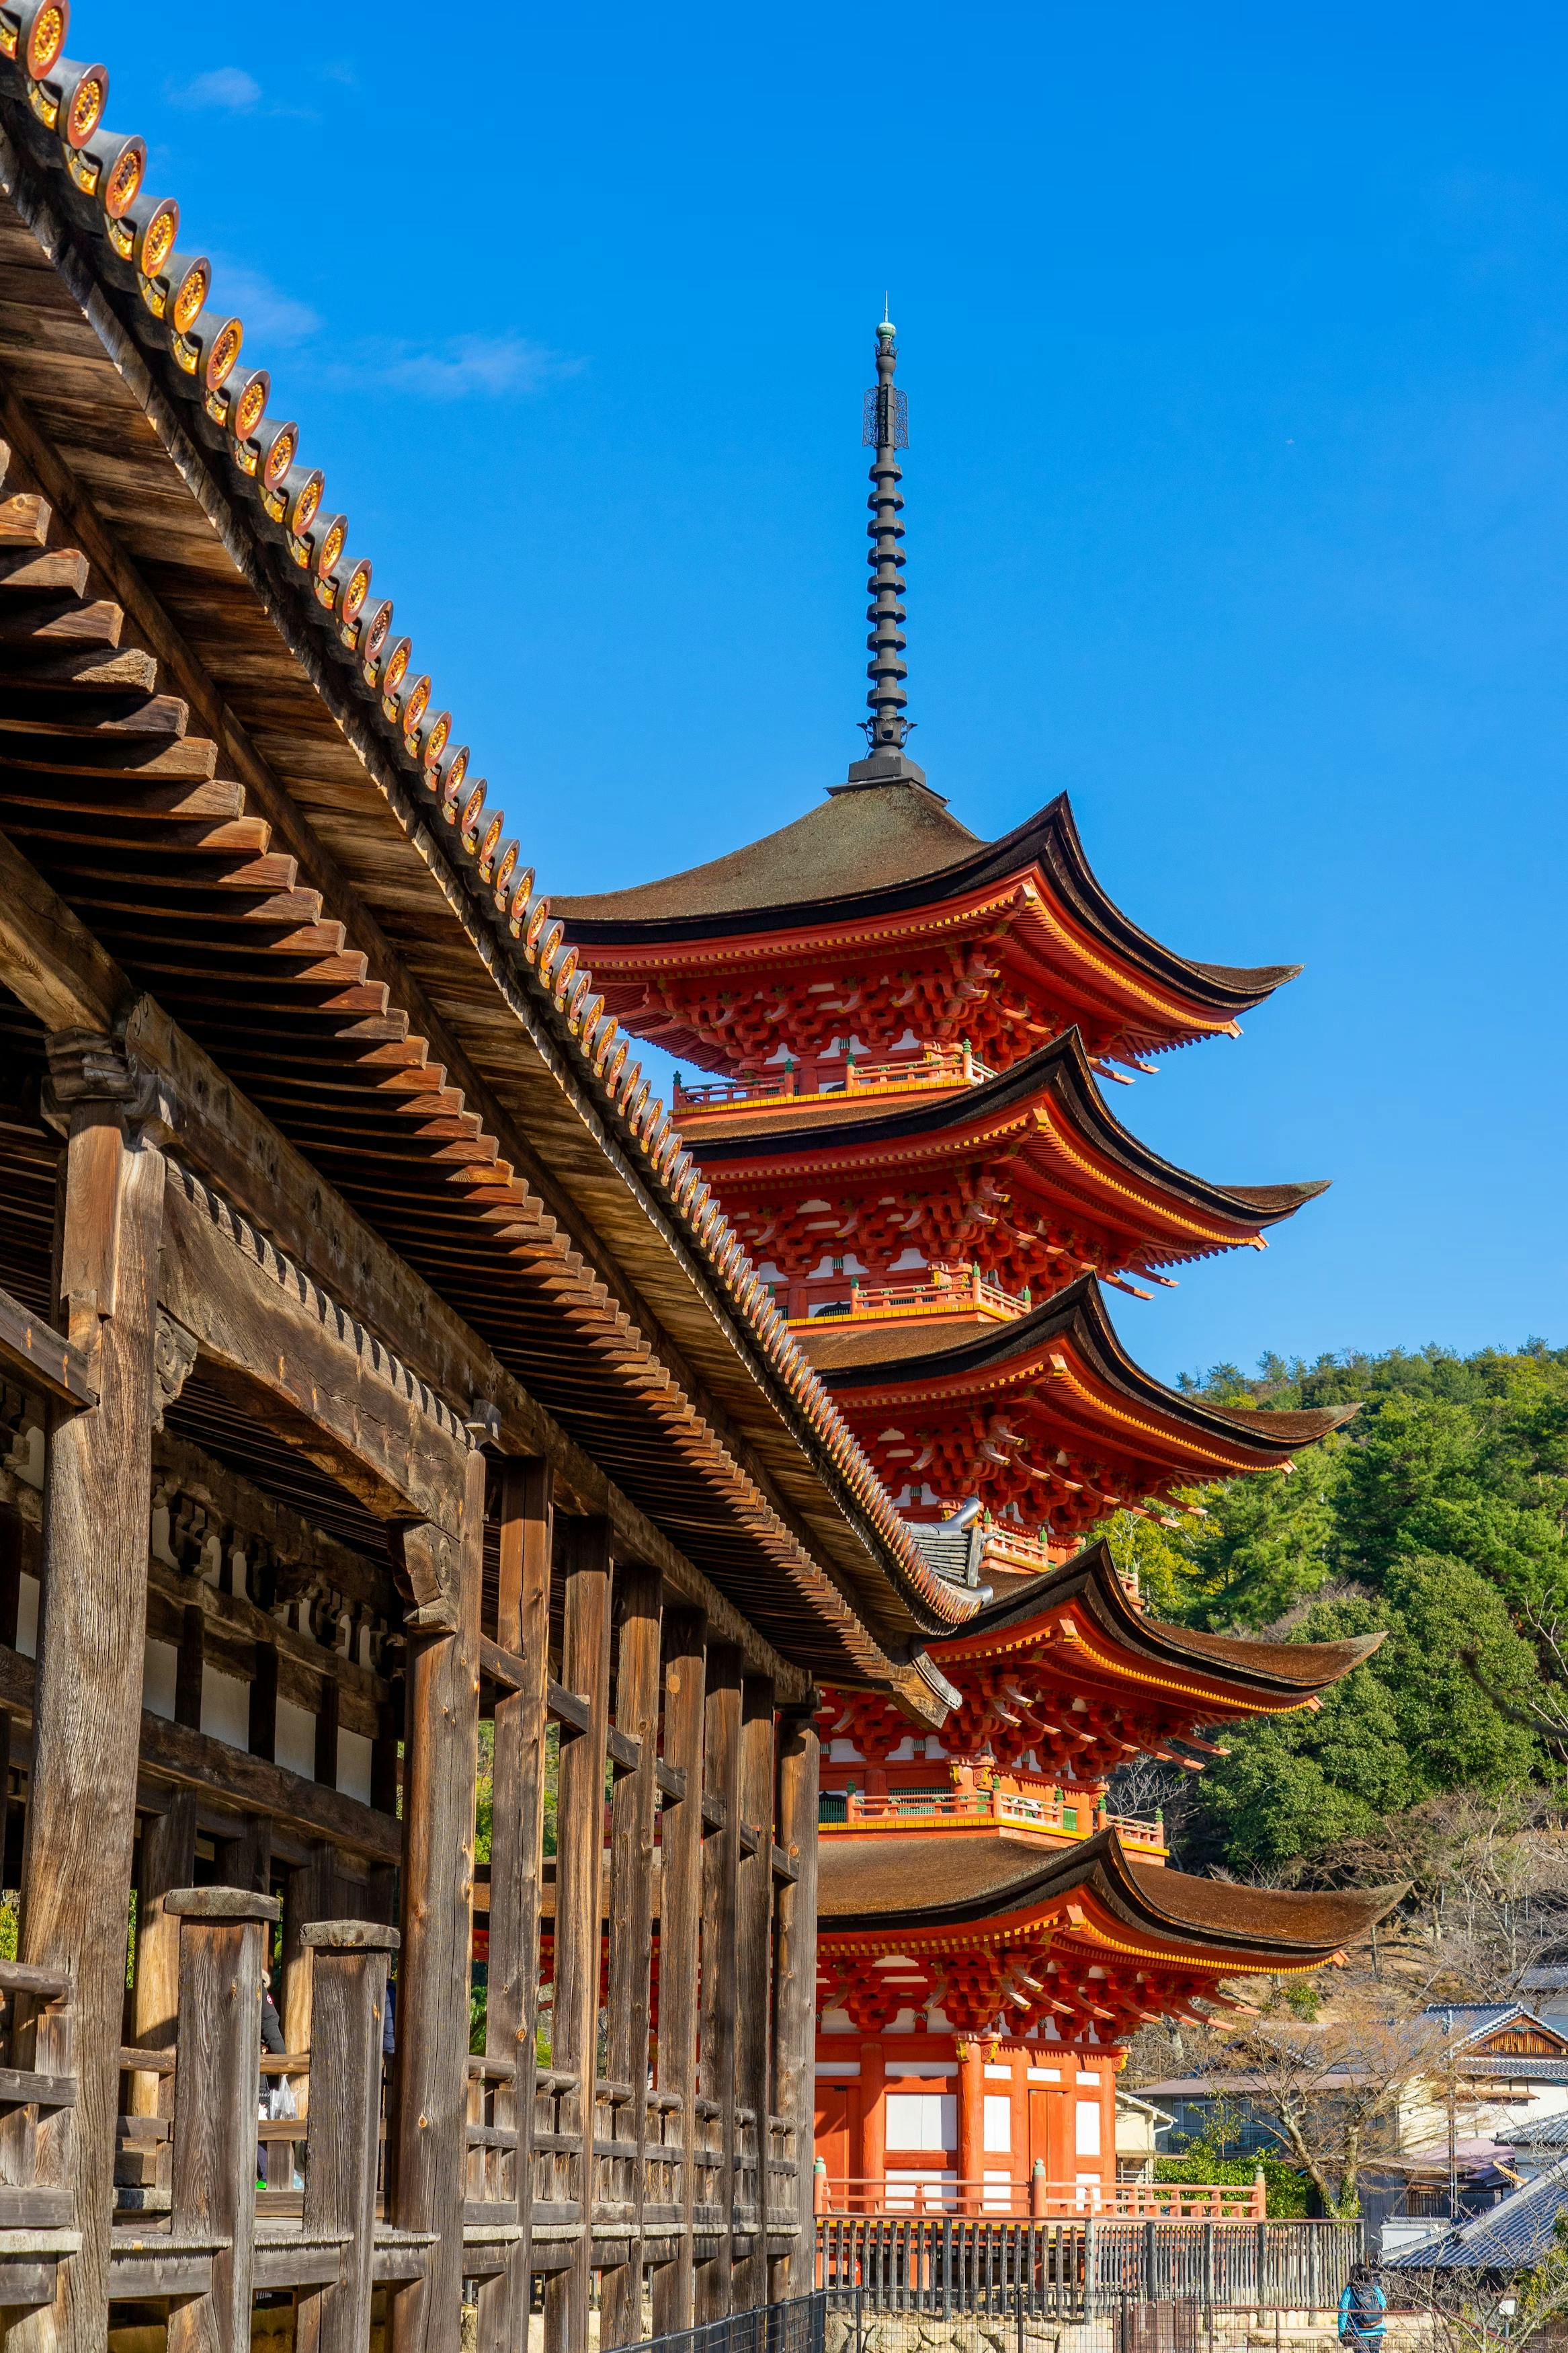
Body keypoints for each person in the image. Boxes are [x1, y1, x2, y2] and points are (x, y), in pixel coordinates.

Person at [1339, 2264, 1387, 2349]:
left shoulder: (1350, 2290)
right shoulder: (1374, 2287)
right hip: (1377, 2329)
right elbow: (1383, 2303)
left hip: (1360, 2332)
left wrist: (1342, 2333)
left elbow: (1343, 2313)